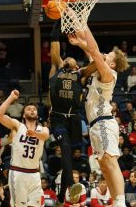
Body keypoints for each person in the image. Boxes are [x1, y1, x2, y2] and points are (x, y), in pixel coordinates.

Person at [67, 25, 129, 207]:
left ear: (112, 63)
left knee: (109, 161)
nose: (104, 54)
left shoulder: (108, 73)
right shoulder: (99, 70)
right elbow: (92, 52)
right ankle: (114, 200)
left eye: (108, 54)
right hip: (95, 124)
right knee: (103, 166)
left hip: (103, 122)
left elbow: (94, 51)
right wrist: (80, 40)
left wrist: (83, 25)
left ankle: (120, 202)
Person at [48, 20, 95, 206]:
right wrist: (56, 25)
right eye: (65, 58)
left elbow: (95, 60)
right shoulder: (57, 68)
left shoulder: (80, 74)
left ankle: (63, 192)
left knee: (73, 154)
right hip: (58, 116)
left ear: (76, 65)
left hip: (74, 118)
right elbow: (55, 49)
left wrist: (83, 44)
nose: (66, 58)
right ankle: (68, 187)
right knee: (65, 149)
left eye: (70, 58)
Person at [0, 90, 49, 207]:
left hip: (35, 174)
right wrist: (10, 98)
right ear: (23, 115)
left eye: (34, 109)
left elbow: (45, 136)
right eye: (29, 109)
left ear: (38, 114)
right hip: (18, 173)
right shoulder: (17, 126)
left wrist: (35, 134)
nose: (32, 110)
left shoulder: (43, 129)